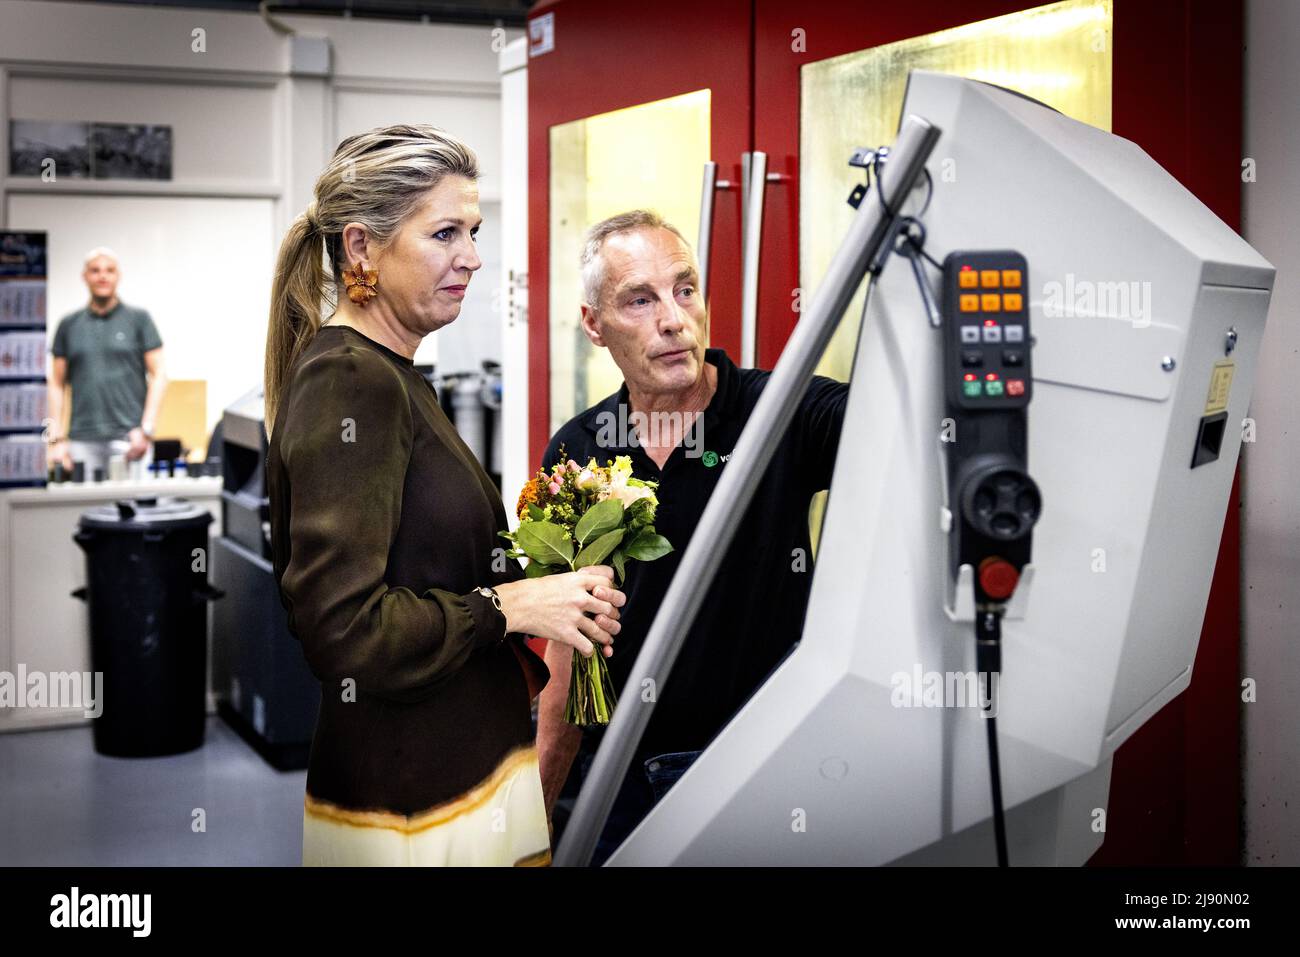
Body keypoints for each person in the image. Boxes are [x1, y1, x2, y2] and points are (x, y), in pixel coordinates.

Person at [263, 124, 625, 867]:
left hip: (456, 782)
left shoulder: (396, 374)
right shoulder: (352, 381)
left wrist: (548, 584)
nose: (473, 256)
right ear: (361, 248)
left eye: (474, 232)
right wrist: (510, 607)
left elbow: (419, 566)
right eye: (445, 234)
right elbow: (345, 633)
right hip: (413, 809)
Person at [539, 210, 850, 864]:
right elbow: (567, 654)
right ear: (594, 324)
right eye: (640, 300)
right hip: (618, 779)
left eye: (684, 289)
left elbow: (899, 422)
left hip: (761, 773)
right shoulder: (578, 449)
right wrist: (535, 823)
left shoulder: (783, 411)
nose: (674, 319)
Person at [47, 248, 166, 476]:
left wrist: (147, 430)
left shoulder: (139, 320)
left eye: (109, 270)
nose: (102, 276)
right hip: (81, 440)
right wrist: (54, 440)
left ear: (118, 276)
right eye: (95, 270)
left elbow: (159, 375)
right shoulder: (68, 324)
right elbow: (56, 384)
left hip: (130, 439)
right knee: (85, 500)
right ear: (85, 276)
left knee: (136, 499)